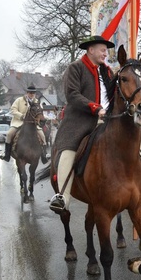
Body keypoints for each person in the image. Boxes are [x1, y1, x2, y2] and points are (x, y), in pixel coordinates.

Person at [49, 35, 115, 213]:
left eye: (106, 51)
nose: (105, 54)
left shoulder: (108, 72)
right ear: (91, 50)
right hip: (80, 121)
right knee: (69, 150)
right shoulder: (75, 68)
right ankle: (63, 197)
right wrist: (95, 107)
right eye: (103, 50)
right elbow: (72, 94)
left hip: (107, 120)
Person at [0, 86, 48, 164]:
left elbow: (40, 113)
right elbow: (13, 110)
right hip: (19, 122)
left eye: (33, 93)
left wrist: (45, 118)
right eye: (30, 93)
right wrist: (21, 116)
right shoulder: (19, 100)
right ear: (27, 93)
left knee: (42, 136)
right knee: (9, 134)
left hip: (33, 124)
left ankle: (44, 155)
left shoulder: (37, 102)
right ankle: (6, 154)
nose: (32, 94)